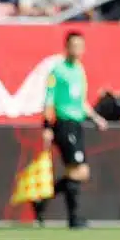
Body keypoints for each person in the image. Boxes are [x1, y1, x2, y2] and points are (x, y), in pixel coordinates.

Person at [37, 31, 109, 228]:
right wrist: (47, 127)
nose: (77, 50)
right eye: (73, 45)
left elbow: (81, 101)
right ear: (66, 47)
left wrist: (95, 118)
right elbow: (49, 100)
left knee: (76, 171)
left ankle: (43, 201)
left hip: (77, 124)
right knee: (79, 170)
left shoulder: (79, 70)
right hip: (63, 123)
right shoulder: (57, 71)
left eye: (80, 46)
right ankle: (73, 218)